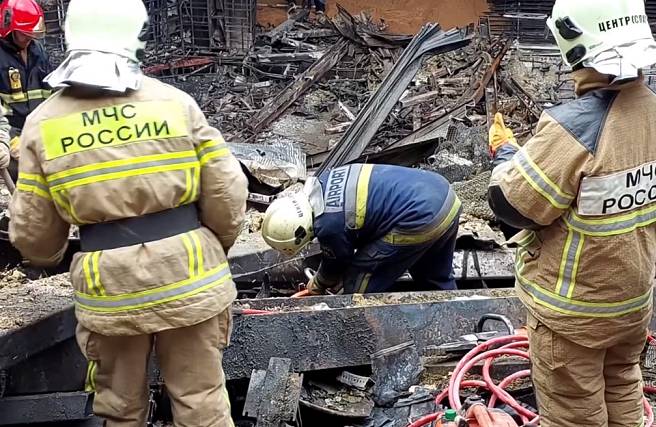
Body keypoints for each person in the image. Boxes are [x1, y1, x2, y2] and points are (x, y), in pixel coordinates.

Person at [9, 0, 248, 425]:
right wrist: (211, 246)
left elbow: (36, 236)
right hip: (190, 277)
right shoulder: (175, 103)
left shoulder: (42, 123)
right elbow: (227, 193)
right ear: (134, 35)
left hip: (111, 292)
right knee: (202, 401)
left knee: (119, 409)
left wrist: (49, 256)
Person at [486, 0, 656, 425]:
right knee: (622, 387)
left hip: (572, 312)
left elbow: (514, 205)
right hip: (631, 302)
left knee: (574, 411)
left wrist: (505, 153)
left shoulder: (576, 127)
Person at [261, 164, 461, 294]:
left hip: (419, 216)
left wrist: (318, 284)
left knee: (359, 279)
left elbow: (337, 262)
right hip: (445, 198)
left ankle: (357, 329)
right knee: (434, 278)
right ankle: (457, 324)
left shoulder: (328, 225)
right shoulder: (323, 182)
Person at [0, 0, 52, 175]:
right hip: (10, 141)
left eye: (32, 34)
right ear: (9, 29)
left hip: (40, 136)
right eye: (24, 34)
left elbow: (50, 95)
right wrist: (10, 141)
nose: (29, 39)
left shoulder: (38, 52)